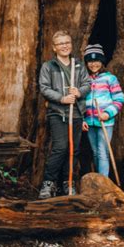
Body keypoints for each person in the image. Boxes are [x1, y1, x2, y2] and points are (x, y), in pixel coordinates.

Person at [38, 30, 90, 199]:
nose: (64, 46)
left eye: (67, 42)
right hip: (58, 113)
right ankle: (48, 184)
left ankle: (68, 183)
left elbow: (87, 84)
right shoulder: (48, 67)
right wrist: (62, 98)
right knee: (60, 148)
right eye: (60, 43)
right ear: (54, 48)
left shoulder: (78, 65)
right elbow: (44, 88)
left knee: (73, 150)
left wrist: (79, 92)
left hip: (76, 114)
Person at [82, 44, 124, 178]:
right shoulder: (85, 80)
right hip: (90, 122)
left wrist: (108, 113)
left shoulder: (110, 78)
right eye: (90, 61)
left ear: (102, 62)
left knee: (102, 151)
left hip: (105, 122)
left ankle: (103, 182)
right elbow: (80, 102)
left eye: (97, 60)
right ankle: (98, 180)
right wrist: (83, 119)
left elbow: (119, 99)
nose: (93, 64)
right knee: (95, 152)